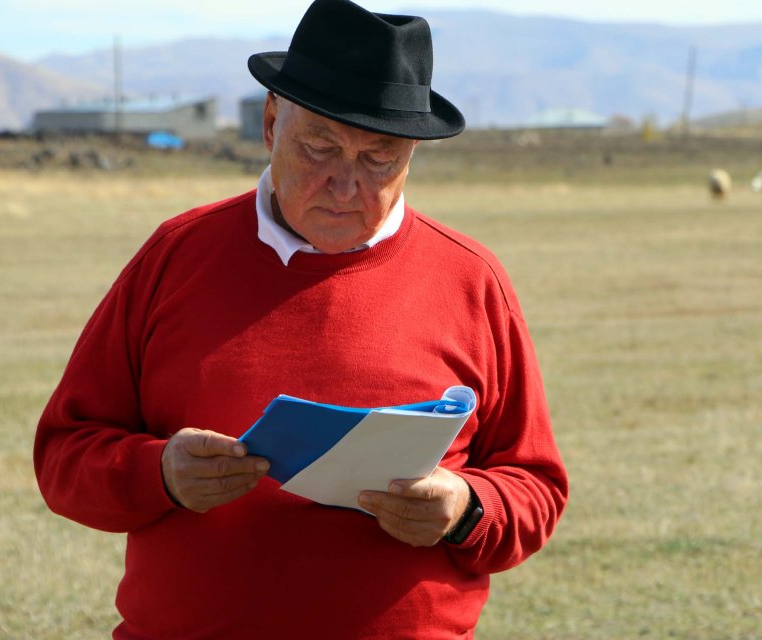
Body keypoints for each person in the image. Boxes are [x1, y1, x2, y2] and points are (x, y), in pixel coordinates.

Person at [32, 1, 568, 637]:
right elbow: (65, 455)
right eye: (319, 147)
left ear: (414, 154)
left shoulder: (471, 279)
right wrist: (160, 474)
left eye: (380, 158)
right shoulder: (176, 257)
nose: (345, 185)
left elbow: (535, 487)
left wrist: (467, 508)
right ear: (269, 124)